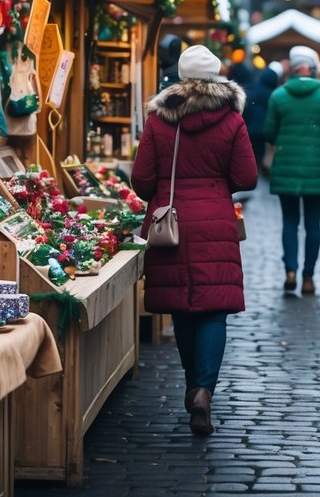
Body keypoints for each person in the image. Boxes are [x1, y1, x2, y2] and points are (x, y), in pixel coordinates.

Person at [132, 45, 258, 436]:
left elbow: (141, 180)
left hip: (173, 221)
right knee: (213, 311)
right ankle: (204, 389)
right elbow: (247, 177)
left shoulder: (159, 118)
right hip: (215, 222)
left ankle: (192, 386)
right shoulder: (232, 119)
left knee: (182, 310)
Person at [264, 45, 320, 296]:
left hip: (286, 166)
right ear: (313, 68)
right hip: (317, 169)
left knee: (289, 221)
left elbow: (269, 133)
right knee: (313, 224)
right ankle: (308, 276)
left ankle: (290, 270)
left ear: (293, 68)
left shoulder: (278, 96)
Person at [242, 62, 281, 174]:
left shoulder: (252, 90)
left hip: (250, 128)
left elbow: (247, 111)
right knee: (260, 152)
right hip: (264, 130)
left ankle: (250, 172)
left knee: (250, 152)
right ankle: (258, 170)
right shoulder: (274, 95)